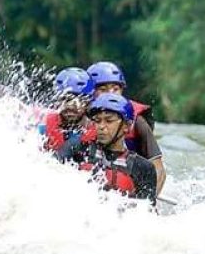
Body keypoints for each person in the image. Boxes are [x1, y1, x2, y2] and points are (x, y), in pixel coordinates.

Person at [56, 93, 156, 205]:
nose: (101, 126)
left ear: (127, 126)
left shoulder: (143, 168)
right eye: (97, 121)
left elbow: (147, 214)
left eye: (109, 121)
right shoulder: (76, 149)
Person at [86, 61, 167, 194]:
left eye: (116, 89)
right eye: (103, 89)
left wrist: (147, 201)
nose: (111, 93)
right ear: (90, 93)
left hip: (131, 177)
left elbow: (159, 170)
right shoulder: (81, 117)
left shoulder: (136, 121)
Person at [38, 67, 97, 153]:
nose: (70, 106)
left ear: (88, 103)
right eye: (65, 98)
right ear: (57, 100)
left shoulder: (100, 136)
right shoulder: (42, 131)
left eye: (79, 99)